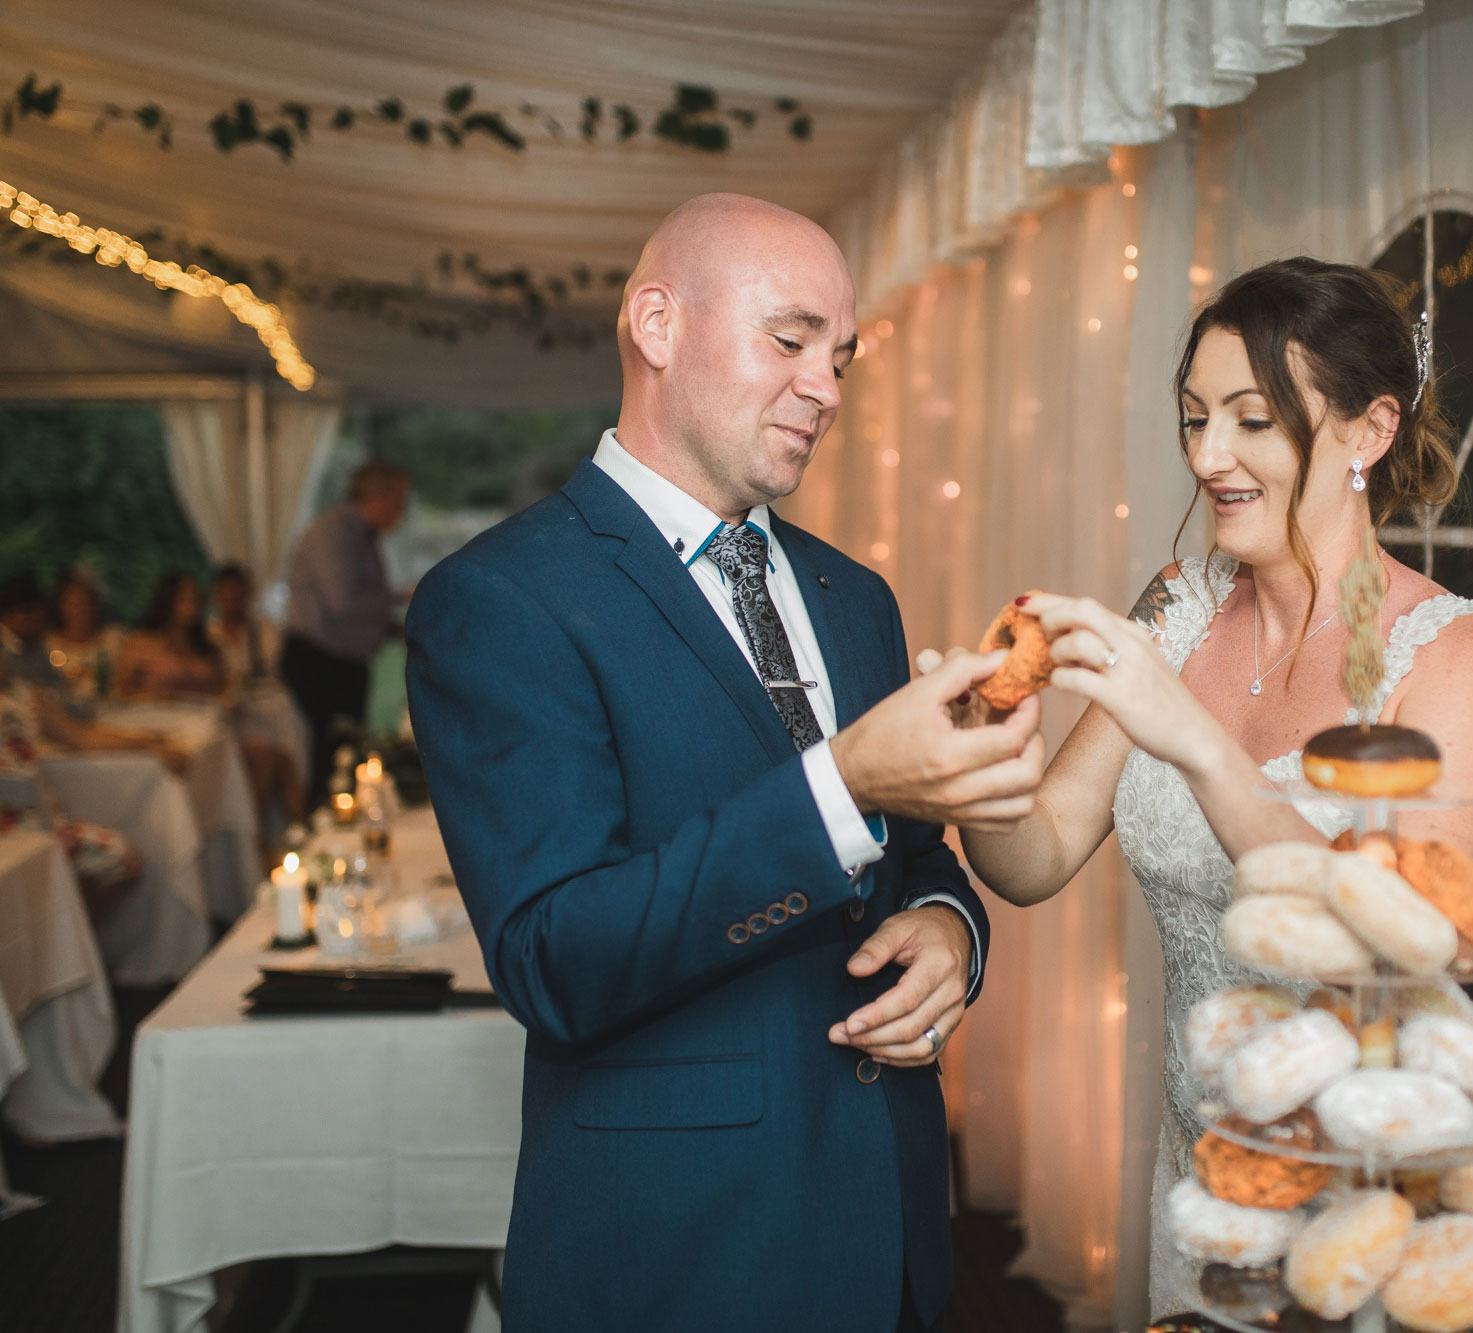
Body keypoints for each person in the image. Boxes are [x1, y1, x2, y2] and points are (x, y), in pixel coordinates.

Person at [404, 194, 1042, 1332]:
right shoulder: (500, 599)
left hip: (889, 1228)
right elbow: (553, 961)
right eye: (788, 339)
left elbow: (914, 853)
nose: (827, 388)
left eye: (840, 358)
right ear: (655, 325)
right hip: (676, 1249)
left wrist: (953, 930)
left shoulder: (858, 595)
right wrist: (841, 785)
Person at [953, 259, 1473, 1315]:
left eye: (1251, 421)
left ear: (1366, 431)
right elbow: (1030, 859)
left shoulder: (1461, 655)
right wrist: (975, 749)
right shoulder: (1175, 608)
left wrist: (1192, 739)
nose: (1208, 457)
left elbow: (1394, 942)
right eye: (1192, 419)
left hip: (1368, 1194)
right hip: (1199, 1175)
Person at [0, 646, 187, 920]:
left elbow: (82, 737)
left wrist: (144, 744)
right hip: (12, 825)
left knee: (121, 859)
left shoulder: (23, 695)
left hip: (40, 817)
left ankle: (70, 940)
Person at [281, 460, 408, 803]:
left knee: (343, 755)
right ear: (377, 497)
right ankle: (321, 839)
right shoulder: (335, 532)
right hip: (320, 663)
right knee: (331, 758)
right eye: (399, 501)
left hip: (340, 663)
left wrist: (394, 629)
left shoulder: (361, 536)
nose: (402, 511)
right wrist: (404, 596)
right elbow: (344, 603)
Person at [210, 563, 307, 828]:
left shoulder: (264, 630)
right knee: (262, 766)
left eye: (237, 592)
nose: (231, 599)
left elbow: (271, 667)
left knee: (287, 759)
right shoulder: (209, 636)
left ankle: (292, 826)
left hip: (270, 707)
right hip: (235, 716)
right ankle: (260, 836)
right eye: (225, 592)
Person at [113, 573, 224, 701]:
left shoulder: (206, 646)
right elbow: (121, 691)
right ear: (167, 601)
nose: (191, 607)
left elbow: (222, 690)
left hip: (202, 717)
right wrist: (151, 697)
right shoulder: (141, 643)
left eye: (195, 599)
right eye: (183, 599)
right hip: (157, 716)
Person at [45, 571, 122, 702]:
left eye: (86, 604)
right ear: (59, 607)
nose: (81, 611)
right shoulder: (46, 643)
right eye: (74, 605)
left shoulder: (114, 639)